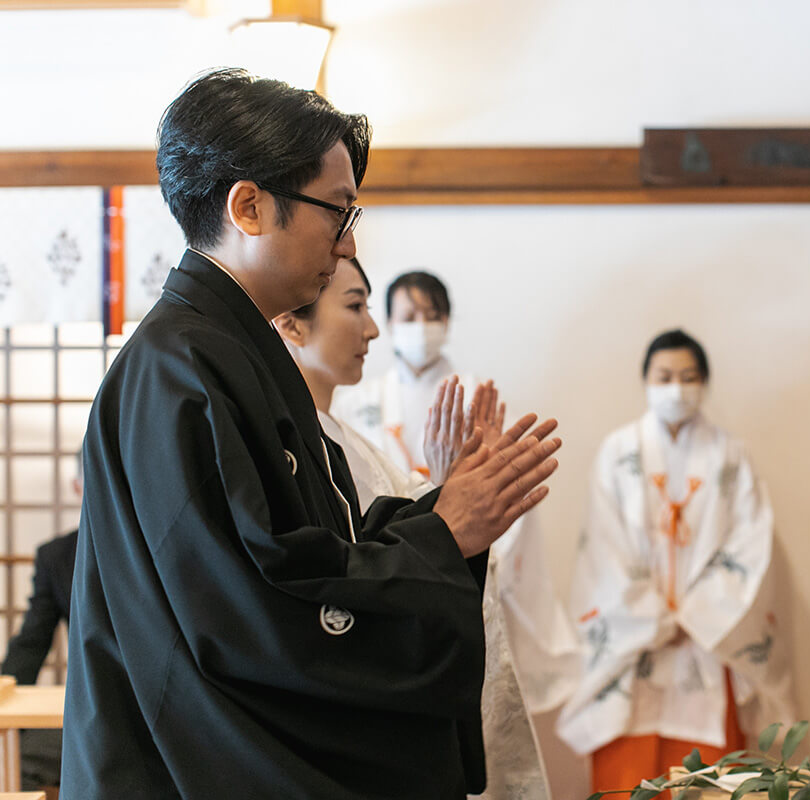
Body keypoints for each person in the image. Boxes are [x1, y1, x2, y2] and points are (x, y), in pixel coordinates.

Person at [62, 68, 561, 800]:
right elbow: (251, 606)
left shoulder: (229, 352)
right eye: (338, 210)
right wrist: (440, 536)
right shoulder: (179, 370)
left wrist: (441, 512)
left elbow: (315, 548)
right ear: (250, 207)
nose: (346, 241)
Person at [275, 256, 555, 799]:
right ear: (291, 321)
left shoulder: (350, 443)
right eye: (355, 306)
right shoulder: (303, 440)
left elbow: (418, 532)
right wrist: (447, 502)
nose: (375, 329)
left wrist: (456, 489)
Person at [557, 329, 795, 795]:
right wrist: (653, 617)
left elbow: (749, 545)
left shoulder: (730, 455)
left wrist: (698, 617)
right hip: (634, 648)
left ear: (704, 382)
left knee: (705, 783)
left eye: (688, 376)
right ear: (645, 380)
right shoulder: (617, 452)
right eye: (664, 375)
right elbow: (605, 552)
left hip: (705, 645)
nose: (676, 387)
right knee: (627, 782)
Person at [334, 270, 466, 478]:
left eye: (432, 317)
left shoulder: (477, 395)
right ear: (389, 324)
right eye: (409, 317)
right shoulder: (355, 401)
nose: (421, 327)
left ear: (446, 322)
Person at [1, 457, 81, 792]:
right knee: (20, 760)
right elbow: (32, 642)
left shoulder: (166, 547)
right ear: (78, 486)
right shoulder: (57, 556)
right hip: (87, 706)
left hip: (164, 707)